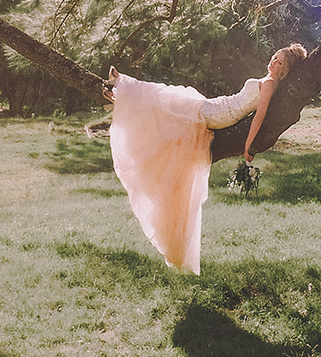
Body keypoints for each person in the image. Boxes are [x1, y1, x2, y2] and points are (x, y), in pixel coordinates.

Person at [102, 44, 307, 273]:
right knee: (174, 101)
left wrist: (248, 144)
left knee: (171, 99)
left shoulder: (269, 84)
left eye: (279, 62)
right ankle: (122, 93)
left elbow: (258, 117)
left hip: (220, 114)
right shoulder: (270, 80)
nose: (273, 62)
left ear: (286, 70)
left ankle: (122, 87)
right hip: (220, 107)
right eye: (274, 57)